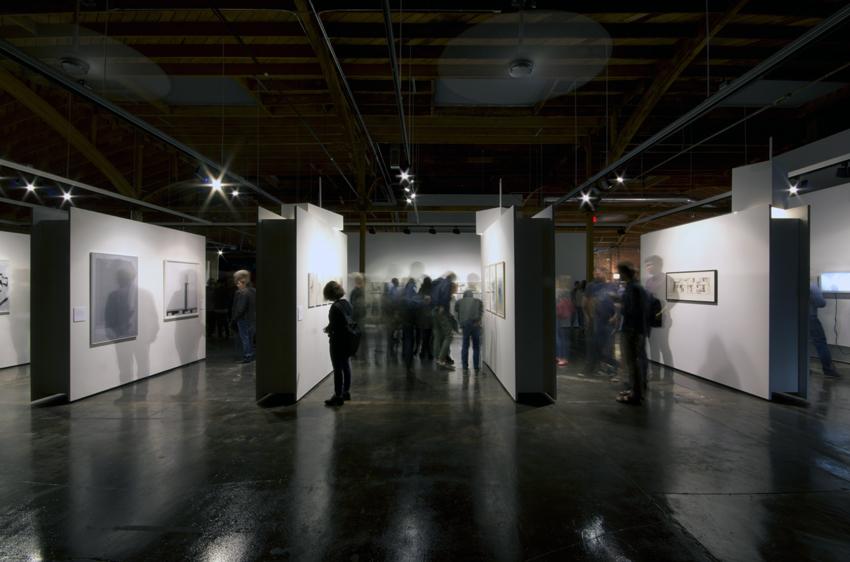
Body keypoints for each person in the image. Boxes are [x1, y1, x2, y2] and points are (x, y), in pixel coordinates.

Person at [616, 262, 650, 405]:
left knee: (633, 363)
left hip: (632, 330)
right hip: (637, 329)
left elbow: (630, 310)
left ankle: (635, 394)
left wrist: (619, 304)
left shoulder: (633, 288)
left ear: (624, 273)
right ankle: (635, 390)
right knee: (635, 361)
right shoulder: (637, 287)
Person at [323, 281, 355, 406]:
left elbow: (334, 326)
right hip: (347, 340)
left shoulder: (335, 307)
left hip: (337, 342)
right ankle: (346, 392)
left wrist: (328, 329)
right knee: (346, 366)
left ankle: (338, 395)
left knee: (337, 369)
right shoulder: (346, 303)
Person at [810, 283, 840, 377]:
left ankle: (804, 369)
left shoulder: (790, 282)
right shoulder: (812, 286)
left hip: (794, 318)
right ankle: (828, 370)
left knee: (800, 345)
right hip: (811, 318)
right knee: (820, 343)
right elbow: (821, 303)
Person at [431, 272, 457, 370]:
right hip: (441, 311)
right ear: (452, 278)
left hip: (434, 310)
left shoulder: (438, 283)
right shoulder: (447, 283)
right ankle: (441, 359)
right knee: (449, 335)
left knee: (438, 335)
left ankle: (437, 357)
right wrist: (442, 306)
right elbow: (445, 296)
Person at [230, 270, 256, 363]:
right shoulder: (253, 291)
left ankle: (247, 356)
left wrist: (234, 319)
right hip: (252, 319)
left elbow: (240, 309)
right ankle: (251, 354)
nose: (237, 285)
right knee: (250, 338)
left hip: (243, 319)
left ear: (242, 281)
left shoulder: (242, 293)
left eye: (238, 282)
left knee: (245, 338)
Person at [455, 289, 483, 372]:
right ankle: (476, 366)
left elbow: (456, 311)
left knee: (465, 345)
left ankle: (464, 366)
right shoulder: (478, 301)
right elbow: (481, 312)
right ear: (472, 295)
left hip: (465, 325)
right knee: (476, 346)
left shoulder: (459, 301)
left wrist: (460, 322)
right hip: (475, 324)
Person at [400, 278, 420, 374]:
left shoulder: (403, 292)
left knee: (405, 338)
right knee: (409, 340)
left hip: (404, 319)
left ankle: (404, 355)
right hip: (411, 319)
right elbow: (414, 304)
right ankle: (408, 359)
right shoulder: (413, 291)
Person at [556, 277, 574, 367]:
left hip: (561, 318)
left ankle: (562, 357)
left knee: (561, 338)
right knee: (563, 338)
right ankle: (562, 357)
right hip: (565, 318)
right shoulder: (568, 292)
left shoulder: (560, 291)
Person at [349, 274, 367, 360]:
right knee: (356, 335)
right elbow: (354, 303)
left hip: (358, 316)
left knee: (358, 335)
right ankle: (353, 352)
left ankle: (355, 352)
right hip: (357, 316)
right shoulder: (357, 291)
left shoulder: (358, 291)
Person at [417, 276, 434, 360]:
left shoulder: (421, 290)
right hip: (431, 316)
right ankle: (429, 352)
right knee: (430, 336)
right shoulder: (432, 290)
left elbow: (417, 302)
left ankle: (423, 352)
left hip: (422, 316)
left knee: (424, 336)